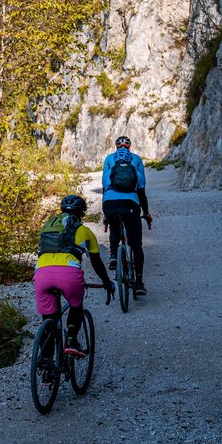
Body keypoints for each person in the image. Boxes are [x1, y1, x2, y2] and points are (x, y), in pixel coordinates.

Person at [33, 195, 114, 363]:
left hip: (41, 274)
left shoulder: (48, 227)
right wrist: (106, 282)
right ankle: (71, 340)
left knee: (49, 319)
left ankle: (46, 361)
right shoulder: (85, 231)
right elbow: (96, 262)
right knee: (76, 305)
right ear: (82, 213)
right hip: (68, 276)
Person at [101, 135, 153, 295]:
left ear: (116, 148)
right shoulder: (136, 163)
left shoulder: (109, 162)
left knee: (114, 227)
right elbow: (142, 193)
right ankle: (139, 283)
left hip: (109, 204)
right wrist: (146, 213)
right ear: (129, 148)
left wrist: (106, 215)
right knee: (136, 245)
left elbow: (105, 189)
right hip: (130, 205)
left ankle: (113, 255)